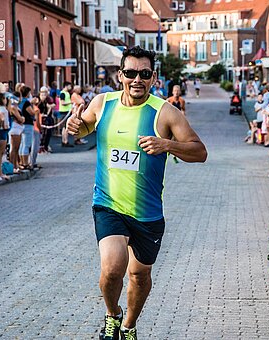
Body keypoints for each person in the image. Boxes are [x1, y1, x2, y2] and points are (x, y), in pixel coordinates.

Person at [66, 46, 207, 340]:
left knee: (139, 275)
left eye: (144, 74)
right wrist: (74, 126)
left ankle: (129, 325)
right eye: (130, 73)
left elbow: (199, 151)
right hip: (108, 204)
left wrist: (167, 145)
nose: (136, 79)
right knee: (112, 269)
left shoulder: (165, 112)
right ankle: (112, 315)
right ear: (120, 75)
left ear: (153, 77)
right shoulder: (103, 103)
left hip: (147, 212)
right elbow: (82, 129)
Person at [18, 86, 35, 170]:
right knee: (26, 144)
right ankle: (25, 162)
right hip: (27, 123)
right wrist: (35, 107)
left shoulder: (19, 101)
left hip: (20, 123)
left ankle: (21, 161)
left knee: (21, 144)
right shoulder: (27, 102)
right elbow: (31, 112)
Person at [59, 82, 73, 147]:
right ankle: (65, 141)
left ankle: (64, 141)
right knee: (65, 127)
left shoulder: (67, 93)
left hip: (67, 112)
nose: (70, 87)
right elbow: (62, 102)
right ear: (66, 86)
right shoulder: (62, 93)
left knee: (65, 127)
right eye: (69, 86)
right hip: (64, 112)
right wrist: (70, 102)